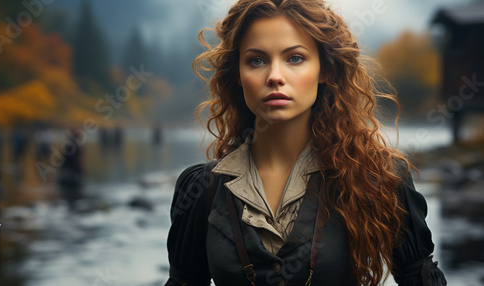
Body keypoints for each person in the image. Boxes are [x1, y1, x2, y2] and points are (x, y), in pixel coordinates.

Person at [165, 0, 447, 285]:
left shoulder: (378, 178)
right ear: (238, 74)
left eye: (295, 58)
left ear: (324, 70)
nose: (275, 76)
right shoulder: (202, 190)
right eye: (257, 60)